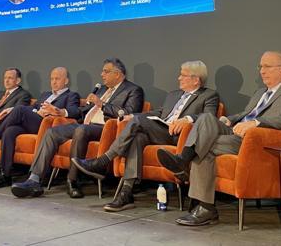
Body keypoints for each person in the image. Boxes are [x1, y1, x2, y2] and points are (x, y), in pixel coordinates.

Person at [157, 51, 281, 226]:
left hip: (255, 140)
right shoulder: (260, 92)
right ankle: (185, 164)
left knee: (204, 146)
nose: (262, 71)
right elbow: (246, 113)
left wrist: (257, 123)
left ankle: (201, 199)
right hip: (236, 133)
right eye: (260, 66)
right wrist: (229, 119)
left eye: (267, 66)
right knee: (206, 118)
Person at [72, 61, 219, 211]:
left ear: (196, 79)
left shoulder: (208, 95)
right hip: (160, 129)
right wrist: (132, 116)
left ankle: (103, 160)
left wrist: (188, 119)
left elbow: (209, 117)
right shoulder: (174, 95)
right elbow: (160, 112)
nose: (179, 78)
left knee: (137, 122)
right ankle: (126, 193)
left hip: (178, 135)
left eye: (183, 75)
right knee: (137, 137)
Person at [11, 58, 144, 199]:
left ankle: (72, 181)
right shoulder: (102, 90)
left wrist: (102, 104)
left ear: (117, 74)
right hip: (84, 124)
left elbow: (129, 114)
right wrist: (61, 112)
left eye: (106, 71)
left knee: (81, 130)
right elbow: (82, 111)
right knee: (52, 132)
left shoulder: (133, 90)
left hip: (106, 128)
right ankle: (34, 180)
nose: (102, 74)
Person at [0, 67, 80, 189]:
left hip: (45, 125)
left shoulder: (71, 95)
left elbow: (76, 112)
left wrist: (58, 111)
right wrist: (32, 110)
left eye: (57, 79)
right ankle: (5, 175)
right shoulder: (45, 94)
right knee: (9, 132)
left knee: (19, 109)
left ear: (66, 81)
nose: (53, 82)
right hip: (32, 121)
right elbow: (33, 108)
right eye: (52, 79)